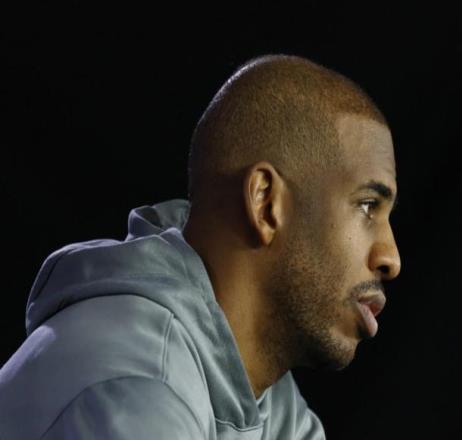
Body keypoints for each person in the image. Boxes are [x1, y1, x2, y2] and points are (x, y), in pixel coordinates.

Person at [0, 54, 401, 439]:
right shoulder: (137, 385)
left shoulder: (270, 405)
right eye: (367, 206)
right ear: (265, 203)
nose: (391, 258)